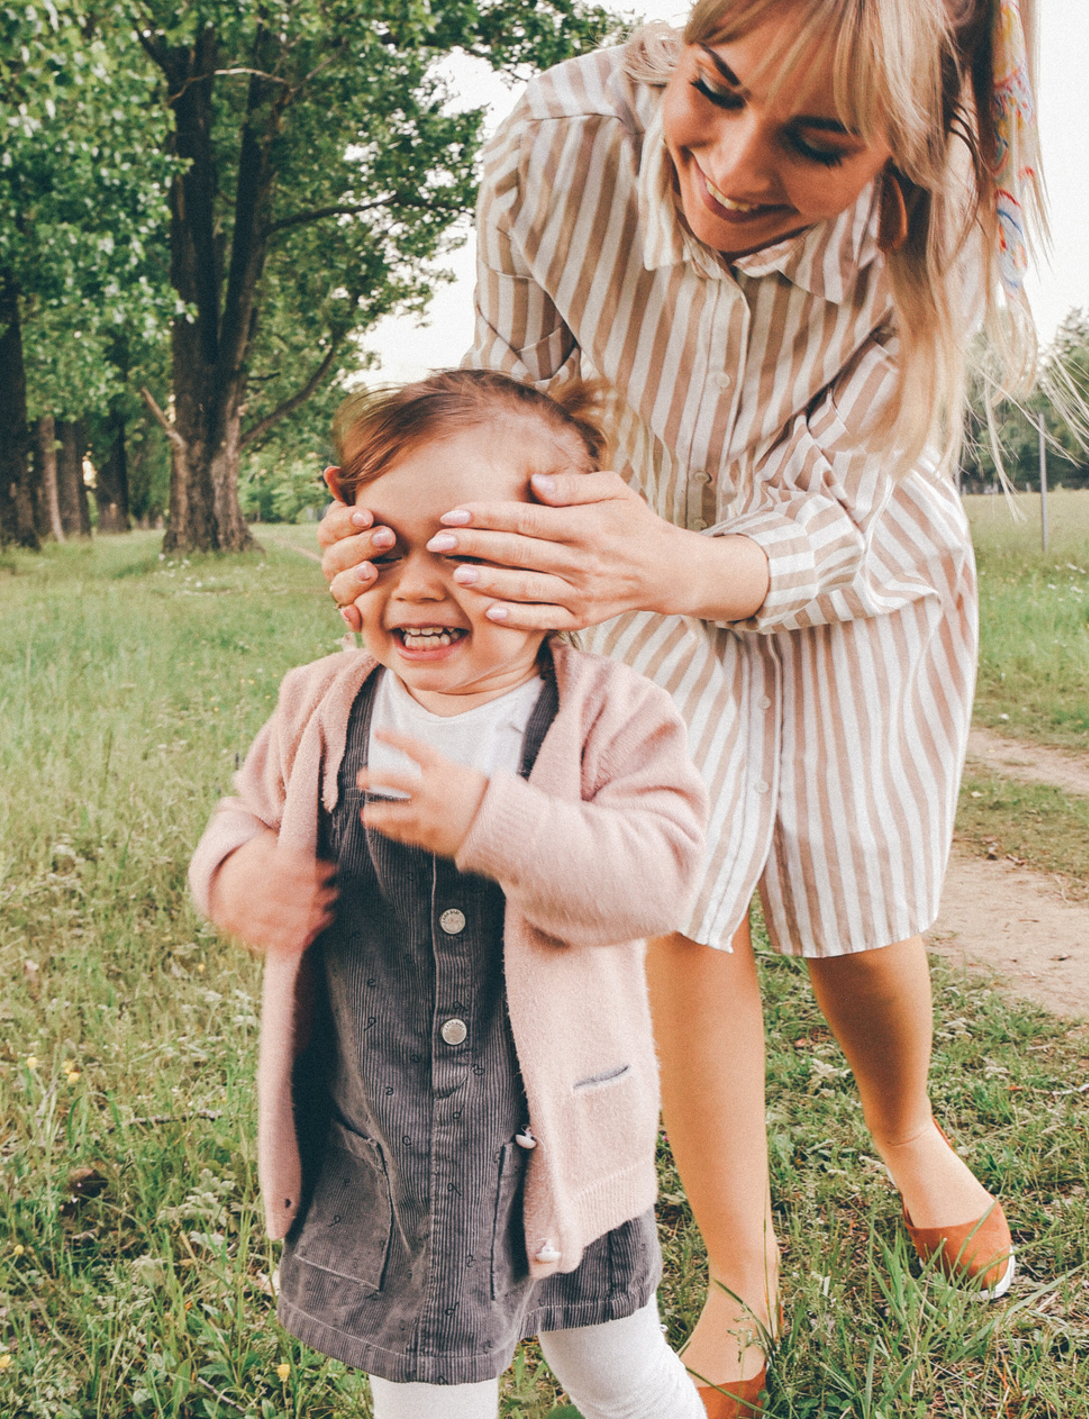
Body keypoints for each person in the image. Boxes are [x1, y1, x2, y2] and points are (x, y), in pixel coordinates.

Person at [320, 0, 1046, 1413]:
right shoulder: (554, 144)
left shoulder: (939, 234)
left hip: (836, 562)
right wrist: (418, 540)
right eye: (715, 87)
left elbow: (844, 516)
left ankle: (905, 1121)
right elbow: (508, 407)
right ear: (685, 34)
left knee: (852, 898)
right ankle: (741, 1270)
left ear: (904, 154)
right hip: (622, 535)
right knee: (684, 889)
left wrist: (672, 560)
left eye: (817, 143)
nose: (733, 168)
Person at [192, 370, 711, 1419]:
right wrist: (240, 878)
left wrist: (492, 822)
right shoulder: (323, 703)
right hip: (390, 1145)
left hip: (562, 1144)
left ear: (565, 564)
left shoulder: (612, 714)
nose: (418, 588)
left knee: (617, 1367)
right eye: (385, 548)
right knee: (429, 1394)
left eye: (468, 552)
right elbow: (238, 821)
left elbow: (657, 877)